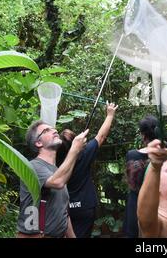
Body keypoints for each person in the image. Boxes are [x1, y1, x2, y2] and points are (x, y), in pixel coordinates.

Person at [56, 102, 118, 238]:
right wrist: (110, 114)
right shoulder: (83, 155)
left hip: (63, 209)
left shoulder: (55, 160)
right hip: (84, 207)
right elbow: (101, 136)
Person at [17, 121, 88, 238]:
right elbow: (57, 182)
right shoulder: (33, 166)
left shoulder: (57, 171)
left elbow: (63, 213)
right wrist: (74, 149)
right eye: (46, 130)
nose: (54, 130)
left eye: (53, 128)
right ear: (38, 143)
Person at [122, 115, 157, 238]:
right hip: (157, 203)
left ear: (143, 135)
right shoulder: (165, 155)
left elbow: (132, 184)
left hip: (135, 203)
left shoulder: (132, 155)